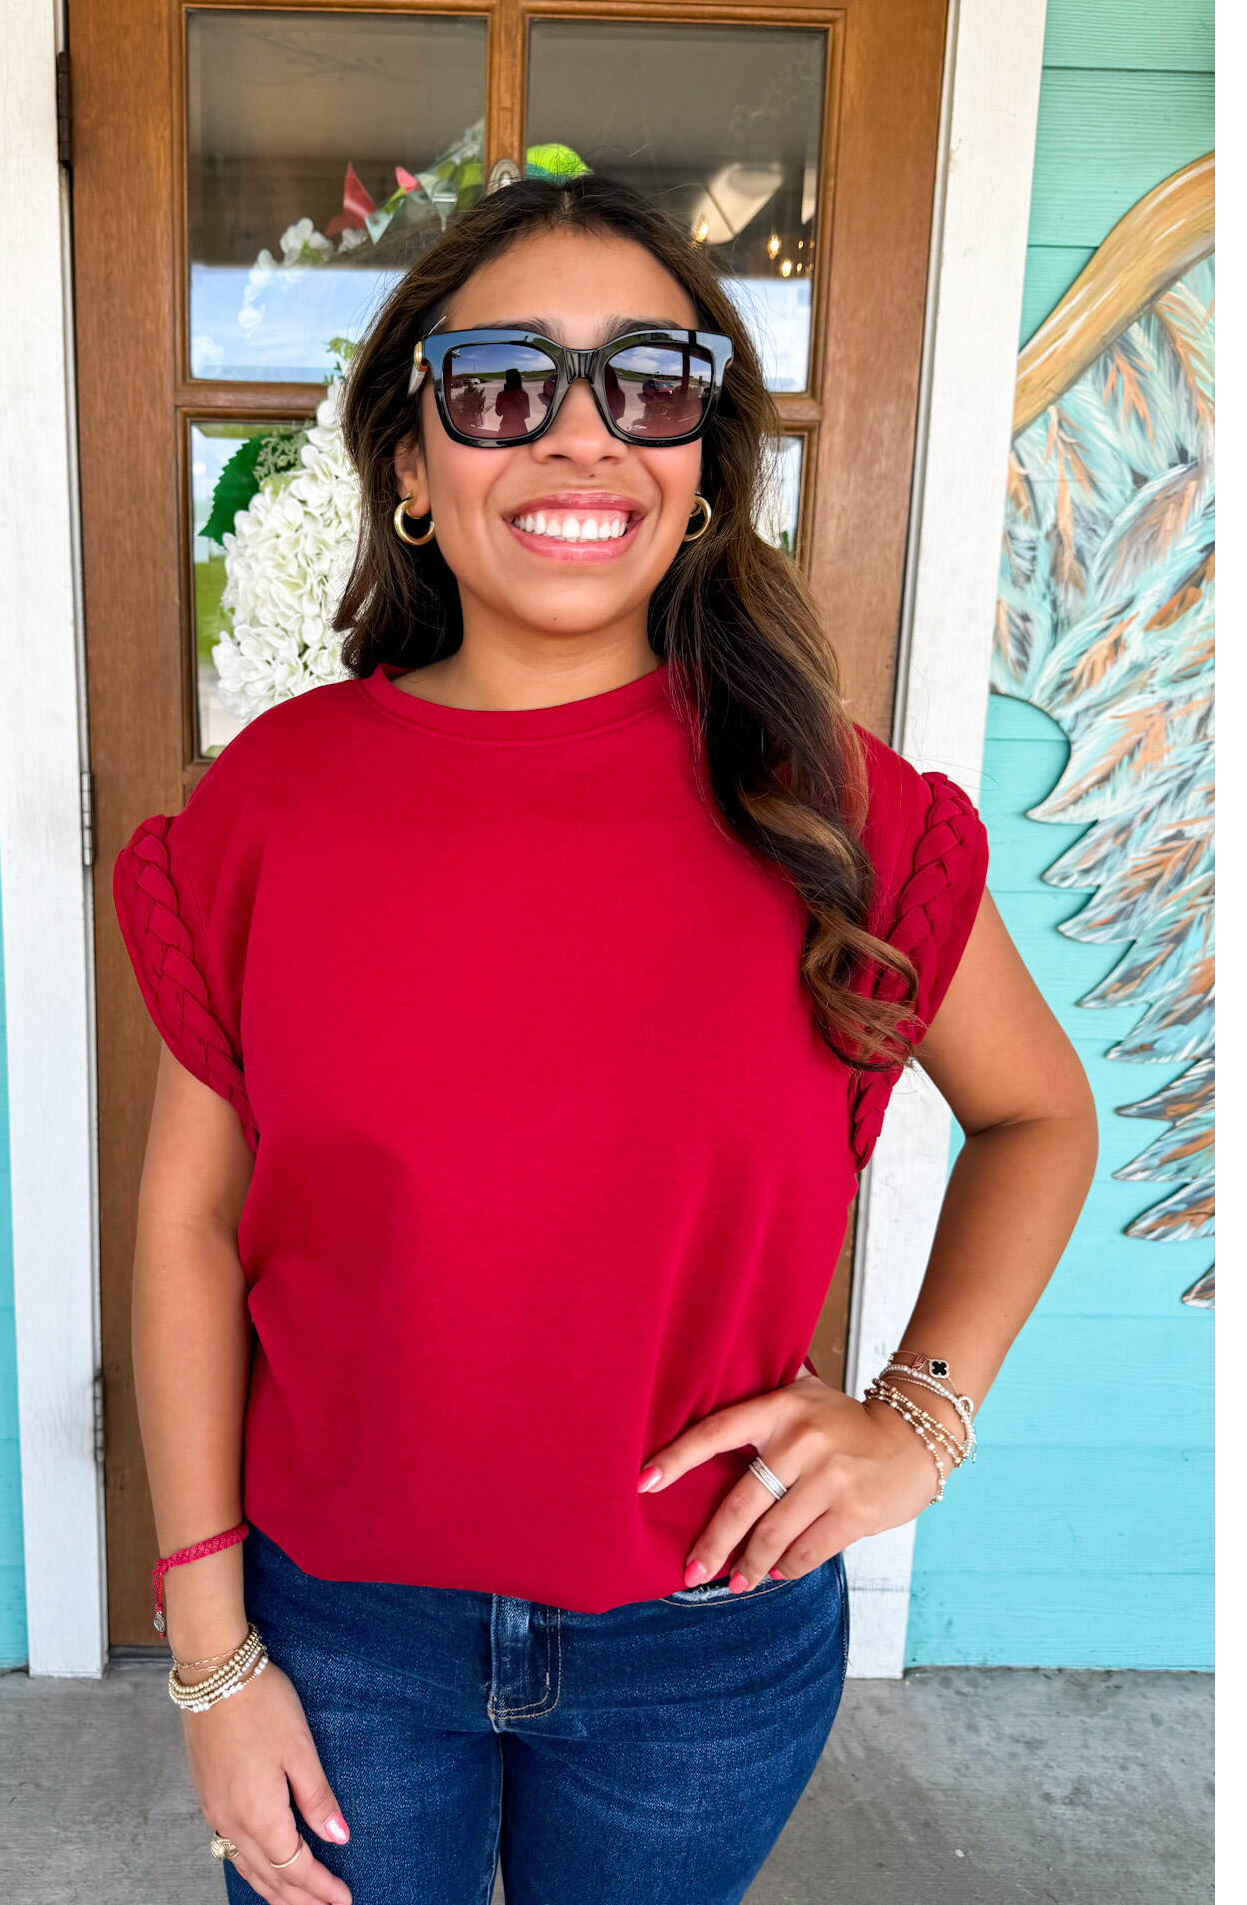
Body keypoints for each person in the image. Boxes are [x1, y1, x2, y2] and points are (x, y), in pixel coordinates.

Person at [111, 175, 1097, 1905]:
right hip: (338, 1636)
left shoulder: (835, 809)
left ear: (704, 459)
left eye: (649, 381)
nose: (579, 438)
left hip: (700, 1651)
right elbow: (191, 1226)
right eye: (502, 384)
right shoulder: (270, 804)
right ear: (412, 465)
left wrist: (917, 1421)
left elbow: (1038, 1119)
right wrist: (211, 1656)